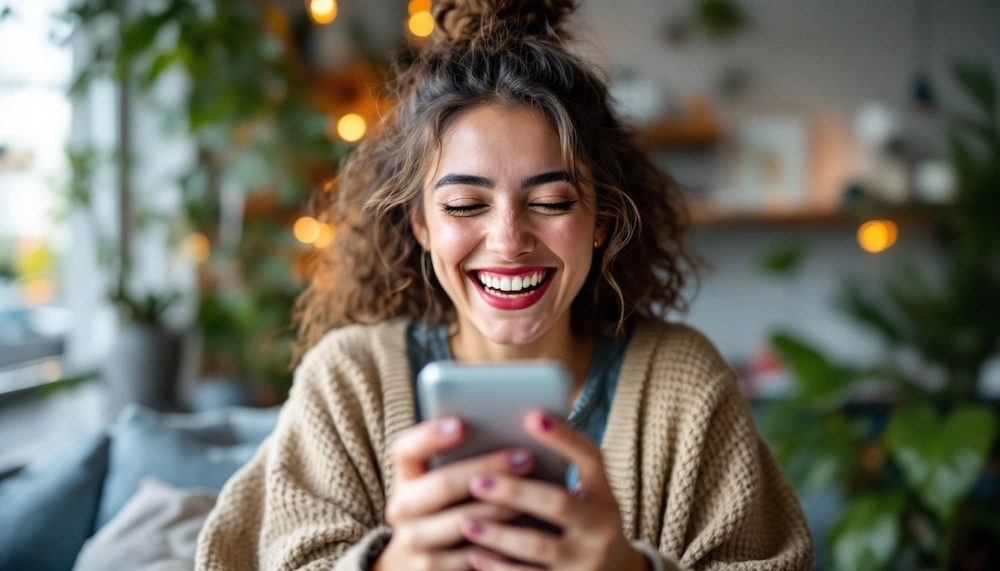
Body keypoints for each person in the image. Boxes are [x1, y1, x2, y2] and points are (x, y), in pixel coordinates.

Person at [195, 1, 813, 569]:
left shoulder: (684, 385)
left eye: (549, 200)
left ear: (600, 221)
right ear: (422, 225)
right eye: (465, 205)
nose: (509, 239)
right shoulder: (348, 381)